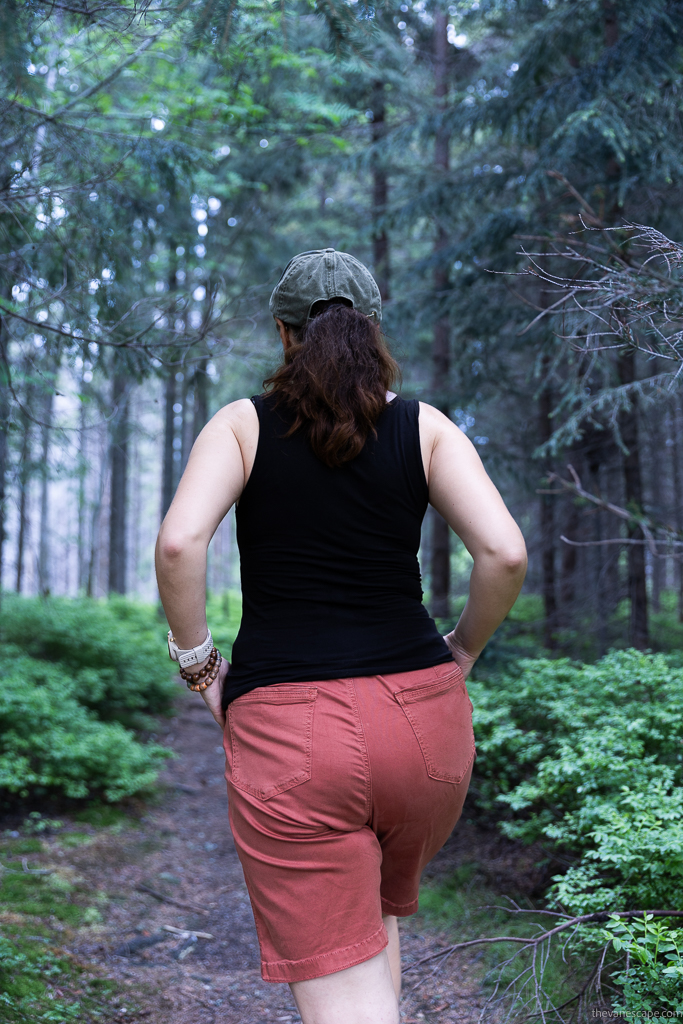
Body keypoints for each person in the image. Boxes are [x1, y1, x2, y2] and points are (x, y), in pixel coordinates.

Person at [155, 248, 527, 1024]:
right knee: (371, 932)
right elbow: (503, 552)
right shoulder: (424, 428)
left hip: (293, 735)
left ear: (284, 333)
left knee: (345, 993)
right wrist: (460, 650)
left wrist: (200, 667)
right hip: (424, 730)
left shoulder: (240, 426)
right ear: (371, 328)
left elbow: (180, 545)